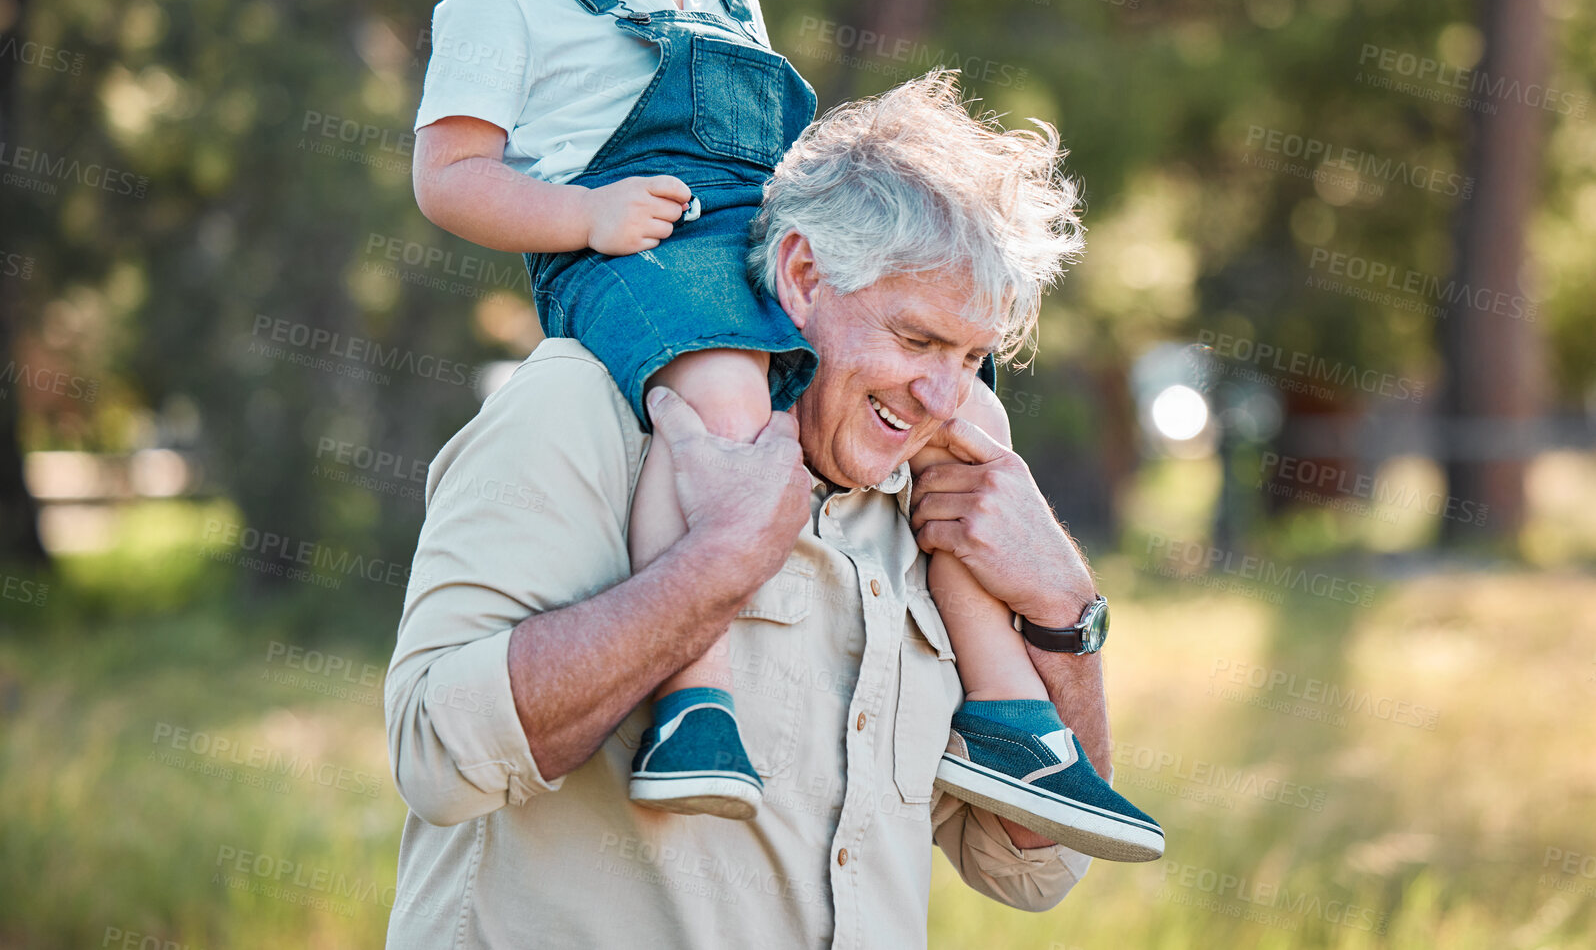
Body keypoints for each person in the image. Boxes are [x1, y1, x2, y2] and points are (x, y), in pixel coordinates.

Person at [408, 0, 1159, 853]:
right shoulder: (507, 0)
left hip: (753, 245)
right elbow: (450, 174)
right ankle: (694, 702)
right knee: (718, 398)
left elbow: (1031, 880)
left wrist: (1067, 604)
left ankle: (1011, 712)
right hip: (631, 253)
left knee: (981, 437)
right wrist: (585, 213)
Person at [384, 74, 1160, 948]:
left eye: (975, 354)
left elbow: (1032, 863)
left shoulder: (934, 496)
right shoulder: (586, 407)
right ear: (800, 274)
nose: (945, 394)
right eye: (916, 339)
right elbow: (435, 757)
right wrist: (716, 567)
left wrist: (1064, 612)